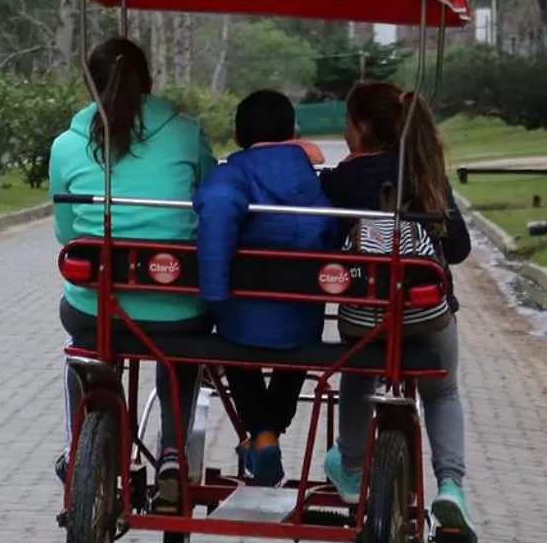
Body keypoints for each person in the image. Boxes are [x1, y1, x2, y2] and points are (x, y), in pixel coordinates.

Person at [50, 37, 215, 512]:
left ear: (89, 85)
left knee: (82, 345)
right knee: (179, 353)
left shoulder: (66, 145)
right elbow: (204, 210)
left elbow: (67, 232)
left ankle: (77, 445)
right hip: (175, 306)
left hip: (96, 306)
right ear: (149, 82)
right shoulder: (186, 132)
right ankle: (171, 454)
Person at [317, 80, 478, 543]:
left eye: (347, 124)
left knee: (359, 375)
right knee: (443, 391)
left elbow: (324, 241)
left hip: (366, 321)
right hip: (427, 319)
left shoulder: (343, 179)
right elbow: (461, 249)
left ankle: (349, 467)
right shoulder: (425, 172)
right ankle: (450, 486)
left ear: (362, 128)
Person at [193, 91, 337, 486]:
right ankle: (267, 435)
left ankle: (262, 435)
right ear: (292, 132)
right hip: (302, 316)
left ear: (238, 134)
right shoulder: (312, 180)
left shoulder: (231, 175)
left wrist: (214, 292)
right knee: (297, 352)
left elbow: (219, 207)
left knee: (238, 350)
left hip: (240, 316)